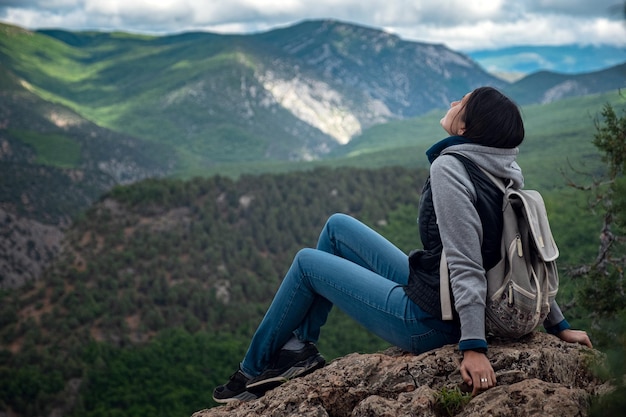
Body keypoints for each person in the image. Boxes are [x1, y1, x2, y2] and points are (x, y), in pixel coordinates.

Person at [212, 86, 593, 403]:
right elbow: (520, 257)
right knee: (336, 227)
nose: (451, 103)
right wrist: (558, 324)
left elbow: (467, 264)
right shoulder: (503, 169)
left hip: (433, 321)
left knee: (307, 263)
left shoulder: (452, 168)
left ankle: (252, 370)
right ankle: (298, 350)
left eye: (461, 102)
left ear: (466, 125)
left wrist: (473, 347)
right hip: (438, 293)